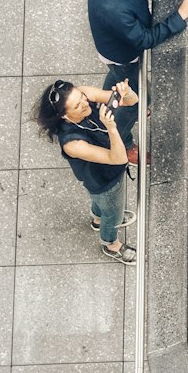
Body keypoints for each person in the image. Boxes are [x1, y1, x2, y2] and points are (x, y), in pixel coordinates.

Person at [33, 78, 139, 263]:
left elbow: (129, 101)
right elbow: (119, 159)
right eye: (77, 105)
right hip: (104, 180)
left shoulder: (84, 96)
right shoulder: (72, 144)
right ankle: (111, 243)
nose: (85, 102)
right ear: (65, 117)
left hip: (99, 176)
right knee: (112, 212)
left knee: (103, 205)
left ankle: (98, 219)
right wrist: (112, 128)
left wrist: (126, 93)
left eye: (81, 96)